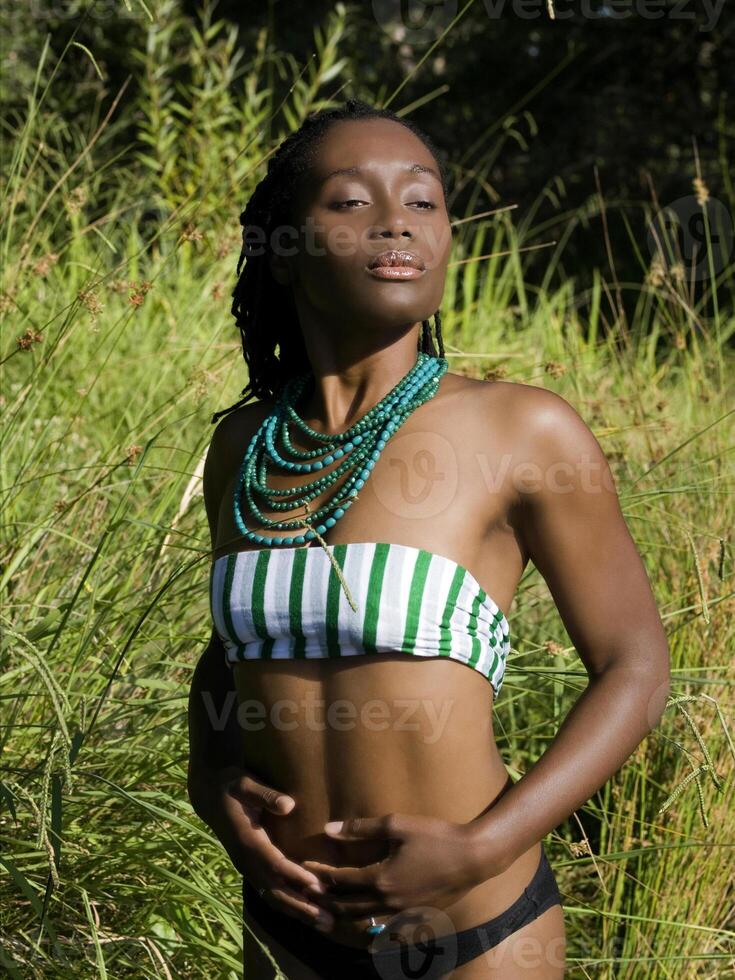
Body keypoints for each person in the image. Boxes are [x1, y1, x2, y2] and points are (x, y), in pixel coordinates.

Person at [187, 98, 671, 979]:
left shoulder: (519, 430)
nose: (395, 224)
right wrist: (211, 785)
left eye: (422, 201)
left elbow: (635, 668)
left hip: (470, 931)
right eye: (349, 202)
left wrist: (484, 847)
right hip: (286, 923)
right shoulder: (247, 447)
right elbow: (230, 650)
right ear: (285, 252)